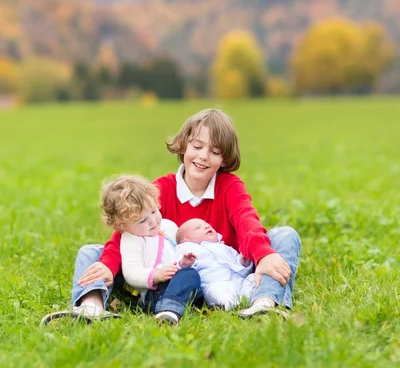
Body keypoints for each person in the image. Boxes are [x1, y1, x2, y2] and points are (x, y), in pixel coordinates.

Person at [42, 108, 301, 323]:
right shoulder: (162, 188)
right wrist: (109, 265)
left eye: (214, 151)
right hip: (166, 276)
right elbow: (127, 233)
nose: (203, 157)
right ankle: (91, 307)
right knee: (91, 252)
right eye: (197, 146)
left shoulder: (229, 186)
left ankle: (264, 303)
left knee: (284, 237)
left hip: (224, 272)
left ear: (224, 158)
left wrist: (264, 255)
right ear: (183, 145)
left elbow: (247, 221)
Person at [42, 175, 200, 325]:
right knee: (88, 252)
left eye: (154, 211)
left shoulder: (168, 226)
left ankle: (170, 311)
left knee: (190, 275)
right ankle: (91, 306)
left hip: (176, 279)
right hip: (154, 288)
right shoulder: (131, 239)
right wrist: (156, 275)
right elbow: (132, 272)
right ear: (122, 227)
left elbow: (177, 250)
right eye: (142, 220)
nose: (153, 221)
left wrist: (184, 261)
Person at [175, 218, 298, 317]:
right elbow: (177, 268)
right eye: (198, 228)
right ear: (185, 240)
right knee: (216, 291)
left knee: (253, 278)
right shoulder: (186, 249)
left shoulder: (224, 247)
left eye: (206, 224)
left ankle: (260, 301)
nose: (206, 226)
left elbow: (239, 266)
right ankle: (230, 307)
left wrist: (244, 262)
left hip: (239, 281)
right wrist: (184, 263)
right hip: (216, 282)